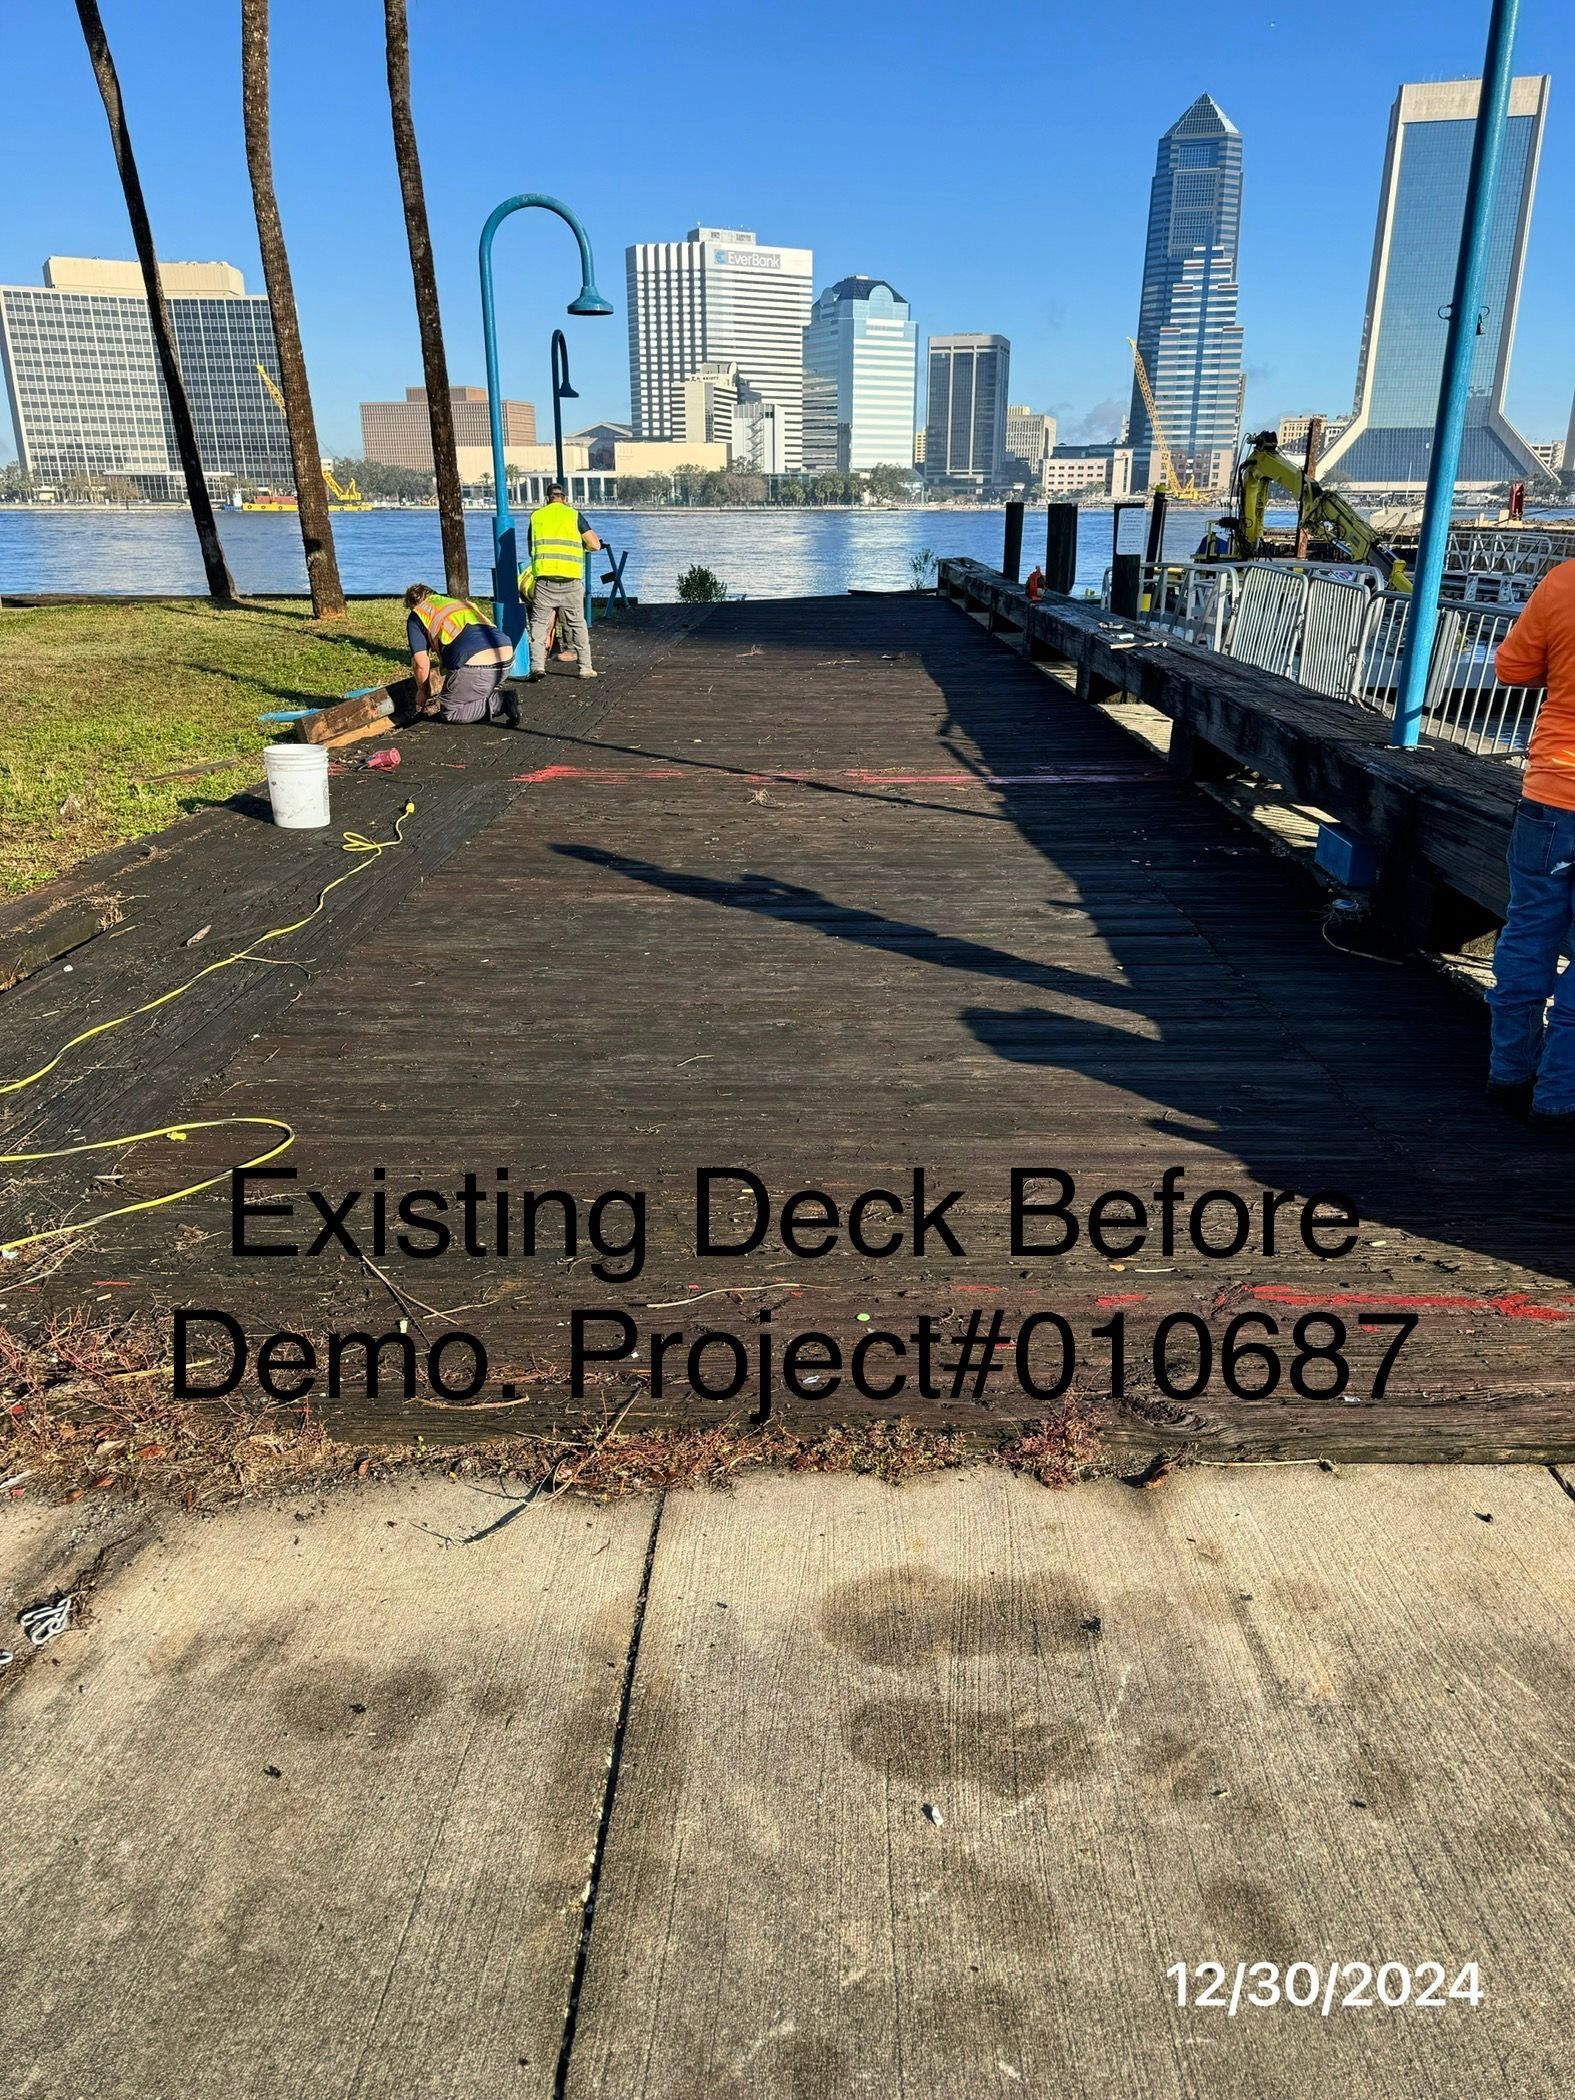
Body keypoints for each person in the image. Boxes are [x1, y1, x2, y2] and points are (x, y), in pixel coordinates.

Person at [1486, 556, 1575, 1130]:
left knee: (1527, 932)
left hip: (1551, 791)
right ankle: (1560, 1096)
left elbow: (1512, 668)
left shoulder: (1564, 579)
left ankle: (1509, 1071)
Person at [403, 584, 516, 725]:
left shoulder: (417, 614)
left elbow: (421, 663)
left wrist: (422, 692)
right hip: (506, 657)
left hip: (476, 664)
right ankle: (490, 698)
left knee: (450, 711)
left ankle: (499, 702)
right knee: (469, 693)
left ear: (412, 605)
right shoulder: (459, 603)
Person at [524, 482, 601, 682]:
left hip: (544, 582)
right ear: (564, 498)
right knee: (578, 625)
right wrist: (579, 548)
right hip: (571, 582)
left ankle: (537, 666)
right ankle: (585, 668)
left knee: (539, 625)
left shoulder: (537, 517)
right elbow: (595, 544)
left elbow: (531, 549)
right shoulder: (574, 515)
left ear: (547, 498)